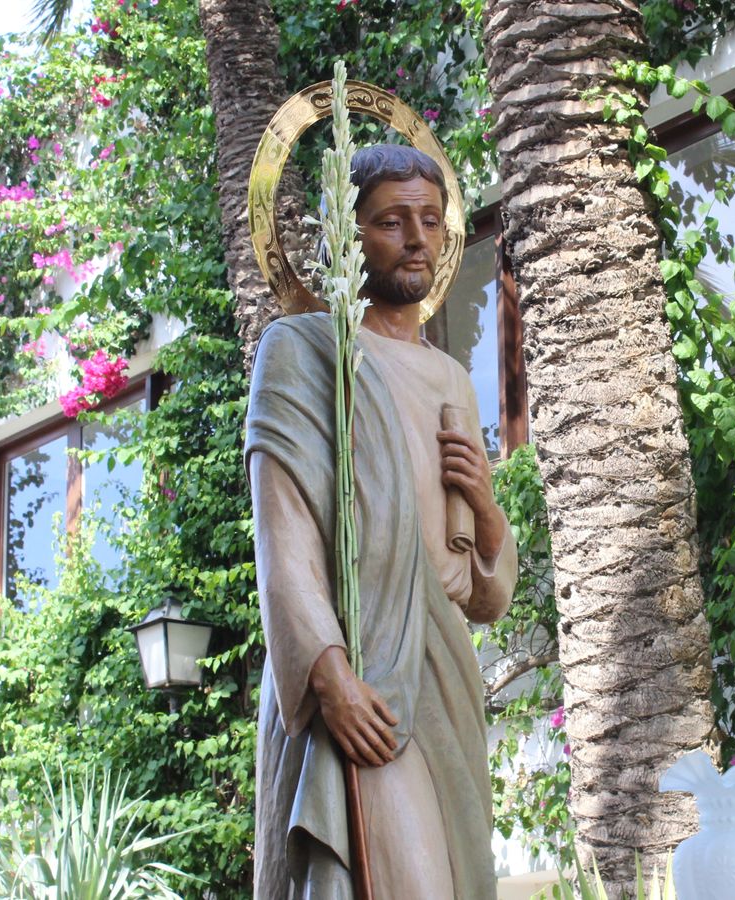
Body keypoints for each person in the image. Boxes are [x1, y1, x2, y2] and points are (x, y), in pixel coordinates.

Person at [245, 144, 516, 899]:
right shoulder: (302, 351)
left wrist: (489, 518)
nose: (418, 238)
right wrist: (328, 675)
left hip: (441, 672)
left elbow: (483, 594)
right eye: (392, 221)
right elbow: (284, 534)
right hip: (359, 665)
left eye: (430, 220)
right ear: (347, 235)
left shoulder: (451, 378)